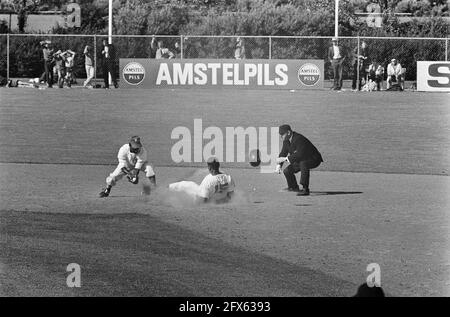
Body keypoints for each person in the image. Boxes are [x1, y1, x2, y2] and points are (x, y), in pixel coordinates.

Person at [276, 124, 323, 196]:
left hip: (314, 159)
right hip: (302, 159)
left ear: (288, 133)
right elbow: (283, 153)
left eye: (282, 134)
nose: (281, 136)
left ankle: (305, 189)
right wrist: (279, 166)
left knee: (303, 163)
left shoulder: (298, 138)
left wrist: (285, 159)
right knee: (287, 171)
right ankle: (293, 187)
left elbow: (300, 154)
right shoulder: (286, 140)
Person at [169, 157, 235, 204]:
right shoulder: (229, 177)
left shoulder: (208, 180)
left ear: (209, 168)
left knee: (186, 184)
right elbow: (231, 196)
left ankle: (166, 188)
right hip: (218, 198)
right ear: (218, 166)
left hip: (199, 196)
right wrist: (219, 201)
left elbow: (203, 200)